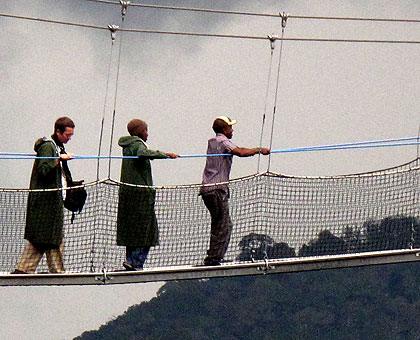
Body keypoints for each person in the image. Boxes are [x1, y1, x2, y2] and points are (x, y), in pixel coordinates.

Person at [200, 116, 270, 266]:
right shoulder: (223, 141)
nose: (232, 130)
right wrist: (259, 150)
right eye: (230, 127)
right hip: (217, 190)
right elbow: (240, 152)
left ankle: (213, 256)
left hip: (207, 190)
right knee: (224, 225)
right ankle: (214, 258)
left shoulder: (212, 142)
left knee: (219, 223)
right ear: (224, 129)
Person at [13, 117, 75, 274]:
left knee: (45, 237)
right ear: (58, 132)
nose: (69, 138)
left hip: (52, 202)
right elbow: (44, 169)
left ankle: (24, 269)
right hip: (45, 203)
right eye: (67, 135)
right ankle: (56, 270)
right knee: (51, 237)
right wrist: (59, 159)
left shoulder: (56, 146)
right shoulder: (48, 147)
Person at [117, 118, 179, 271]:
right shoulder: (137, 144)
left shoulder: (127, 146)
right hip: (141, 195)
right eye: (145, 130)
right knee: (148, 231)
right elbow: (142, 153)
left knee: (132, 230)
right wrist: (165, 154)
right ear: (139, 131)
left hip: (127, 194)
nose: (147, 134)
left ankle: (130, 259)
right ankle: (136, 262)